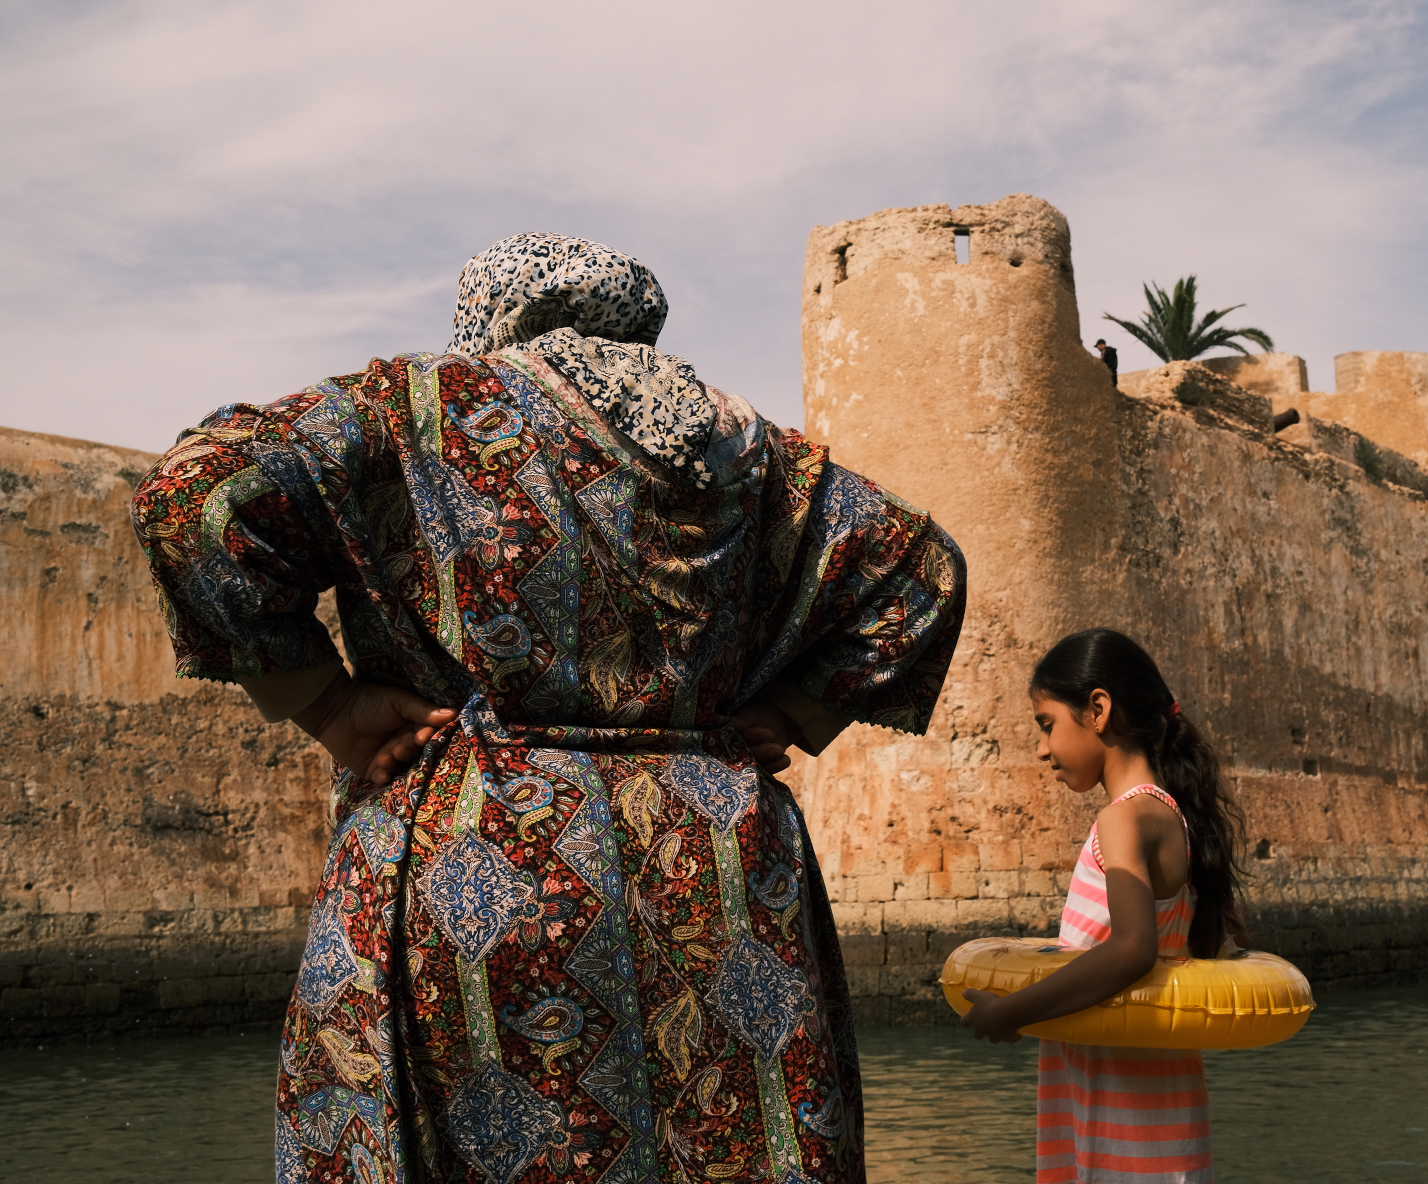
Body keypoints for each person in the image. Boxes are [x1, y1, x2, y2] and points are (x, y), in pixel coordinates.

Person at [130, 232, 967, 1184]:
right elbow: (921, 569)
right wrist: (796, 711)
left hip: (475, 855)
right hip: (717, 867)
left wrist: (322, 701)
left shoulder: (419, 409)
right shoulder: (753, 453)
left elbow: (194, 493)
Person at [960, 628, 1247, 1183]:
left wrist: (1011, 1013)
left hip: (1126, 1129)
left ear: (1097, 710)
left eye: (1047, 724)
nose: (1042, 749)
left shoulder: (1124, 819)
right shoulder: (1172, 816)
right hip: (1157, 1114)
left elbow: (1133, 949)